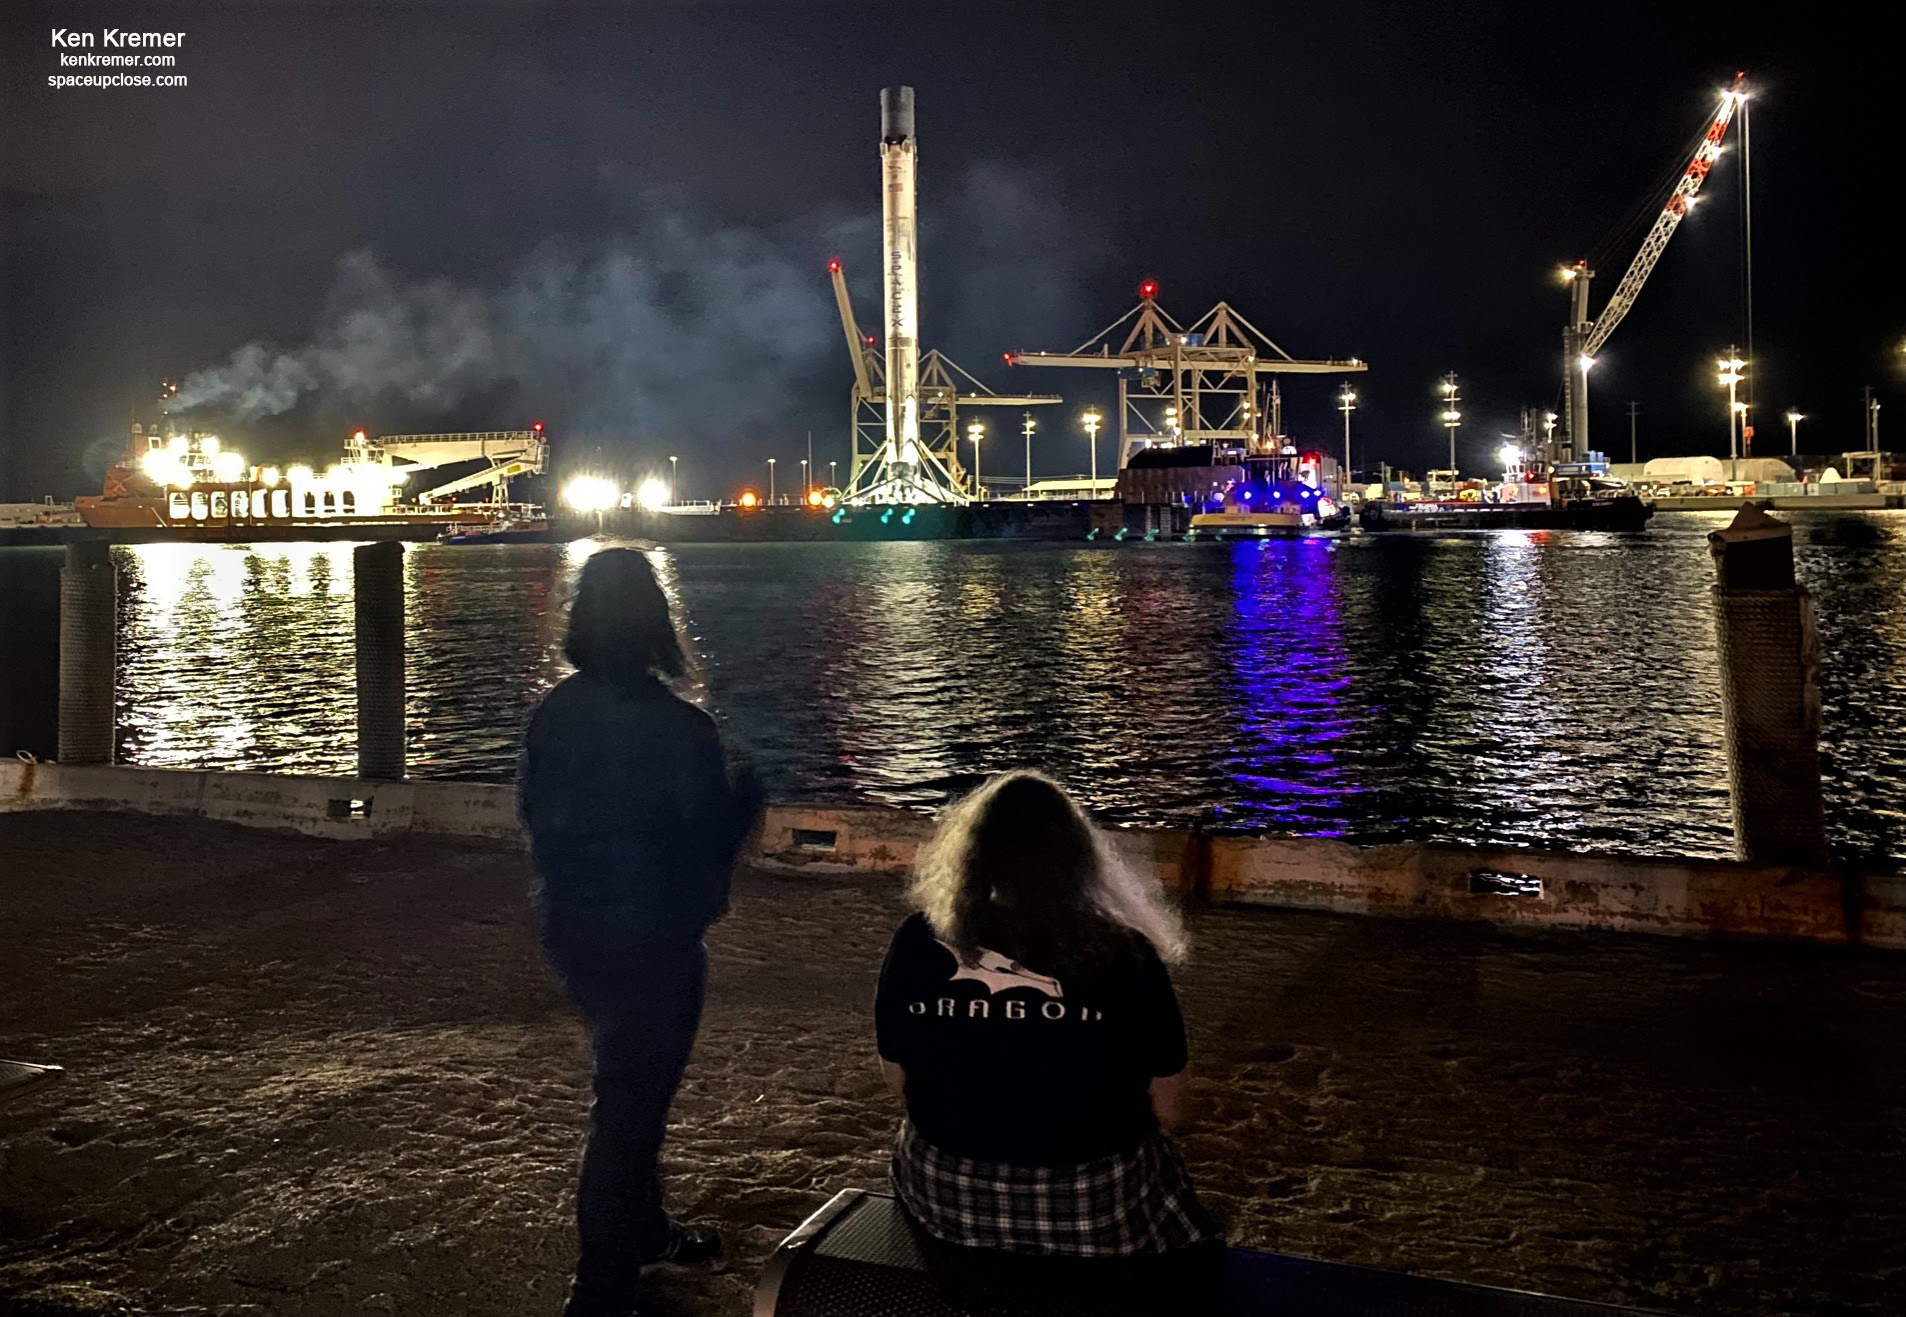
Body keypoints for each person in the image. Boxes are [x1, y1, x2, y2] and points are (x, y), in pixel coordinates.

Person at [873, 771, 1221, 1309]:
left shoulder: (921, 939)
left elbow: (897, 1075)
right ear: (1078, 858)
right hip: (1088, 1200)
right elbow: (1169, 1104)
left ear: (971, 855)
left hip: (948, 1191)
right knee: (1189, 1228)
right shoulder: (1124, 954)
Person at [520, 547, 762, 1317]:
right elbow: (705, 836)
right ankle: (600, 1288)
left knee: (628, 1079)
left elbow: (534, 814)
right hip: (654, 935)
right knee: (628, 1107)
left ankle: (646, 1229)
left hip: (573, 926)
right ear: (657, 621)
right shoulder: (681, 728)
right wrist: (746, 796)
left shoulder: (554, 713)